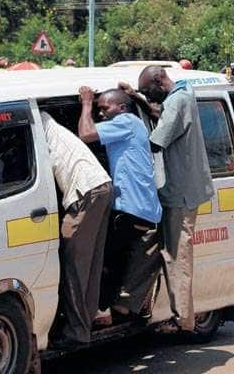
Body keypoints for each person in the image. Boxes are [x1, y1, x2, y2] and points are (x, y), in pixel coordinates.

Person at [132, 65, 214, 332]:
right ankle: (132, 304)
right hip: (183, 189)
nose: (149, 95)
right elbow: (162, 114)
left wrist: (124, 135)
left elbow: (156, 141)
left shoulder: (177, 101)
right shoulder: (183, 92)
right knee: (157, 250)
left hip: (180, 193)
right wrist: (137, 98)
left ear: (158, 80)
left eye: (148, 90)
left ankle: (183, 321)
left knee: (177, 256)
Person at [77, 87, 163, 324]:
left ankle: (102, 309)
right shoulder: (131, 124)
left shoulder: (126, 122)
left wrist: (86, 104)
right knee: (121, 262)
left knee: (104, 261)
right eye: (98, 108)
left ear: (122, 108)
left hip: (131, 209)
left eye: (104, 108)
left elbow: (86, 133)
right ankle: (118, 307)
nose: (101, 113)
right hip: (140, 208)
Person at [40, 111, 113, 345]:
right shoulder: (52, 128)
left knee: (73, 265)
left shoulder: (37, 126)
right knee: (89, 264)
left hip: (85, 192)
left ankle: (76, 332)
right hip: (99, 187)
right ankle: (87, 321)